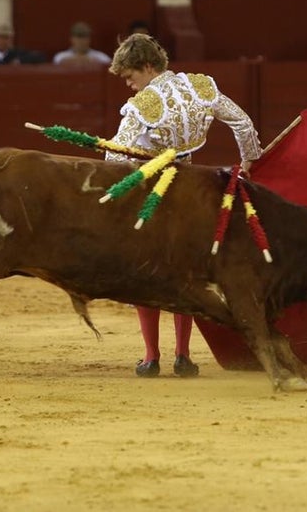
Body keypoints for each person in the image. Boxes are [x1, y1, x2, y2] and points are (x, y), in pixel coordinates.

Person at [105, 33, 262, 378]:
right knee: (187, 272)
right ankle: (184, 357)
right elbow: (244, 123)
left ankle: (150, 358)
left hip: (153, 197)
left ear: (147, 67)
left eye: (131, 77)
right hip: (193, 194)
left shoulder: (142, 106)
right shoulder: (201, 88)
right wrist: (250, 161)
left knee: (147, 271)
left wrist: (125, 178)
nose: (130, 86)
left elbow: (113, 155)